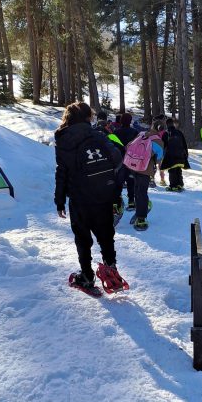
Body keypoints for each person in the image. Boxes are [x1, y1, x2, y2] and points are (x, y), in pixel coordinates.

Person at [54, 101, 126, 292]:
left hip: (79, 198)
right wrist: (115, 192)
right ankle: (111, 269)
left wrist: (59, 200)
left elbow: (62, 171)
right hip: (104, 195)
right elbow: (118, 159)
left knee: (82, 238)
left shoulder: (63, 140)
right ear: (88, 117)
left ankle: (86, 276)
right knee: (106, 234)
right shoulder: (99, 136)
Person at [129, 120, 164, 231]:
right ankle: (141, 218)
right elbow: (159, 159)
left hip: (134, 166)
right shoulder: (158, 141)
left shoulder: (141, 134)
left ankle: (139, 210)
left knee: (137, 189)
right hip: (145, 169)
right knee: (142, 192)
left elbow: (129, 145)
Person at [114, 112, 139, 210]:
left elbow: (112, 147)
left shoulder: (115, 133)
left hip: (119, 160)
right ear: (130, 121)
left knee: (118, 183)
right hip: (131, 161)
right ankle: (131, 202)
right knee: (131, 181)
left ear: (121, 121)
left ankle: (117, 203)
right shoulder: (135, 132)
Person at [161, 117, 189, 191]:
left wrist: (162, 156)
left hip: (171, 156)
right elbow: (184, 144)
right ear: (173, 124)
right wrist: (186, 154)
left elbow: (163, 145)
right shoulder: (179, 132)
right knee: (178, 170)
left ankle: (173, 186)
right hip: (180, 155)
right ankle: (180, 184)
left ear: (166, 125)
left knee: (172, 170)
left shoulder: (166, 133)